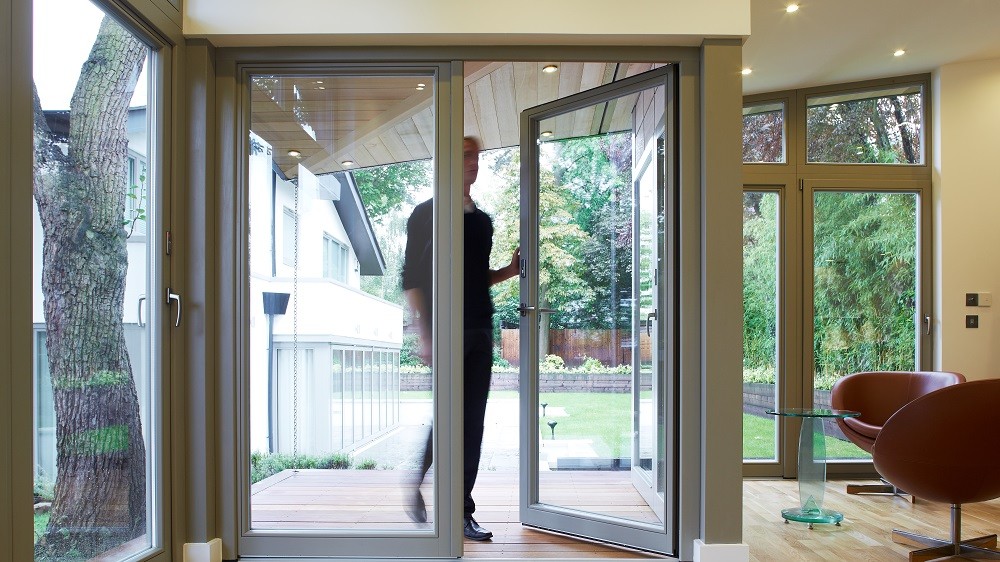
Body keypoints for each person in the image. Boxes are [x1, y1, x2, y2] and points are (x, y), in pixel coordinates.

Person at [400, 136, 520, 541]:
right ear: (449, 162)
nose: (474, 163)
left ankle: (460, 511)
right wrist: (426, 335)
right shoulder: (426, 215)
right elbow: (412, 281)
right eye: (466, 155)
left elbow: (477, 276)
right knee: (448, 418)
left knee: (473, 423)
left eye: (477, 157)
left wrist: (510, 270)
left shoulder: (483, 221)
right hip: (446, 330)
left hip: (480, 329)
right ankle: (417, 481)